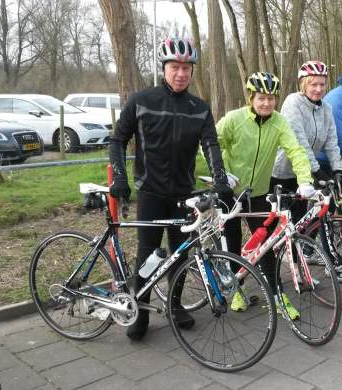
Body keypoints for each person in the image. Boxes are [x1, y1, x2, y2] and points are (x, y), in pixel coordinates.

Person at [108, 37, 233, 340]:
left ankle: (176, 307)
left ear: (192, 71)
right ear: (164, 68)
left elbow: (211, 146)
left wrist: (220, 180)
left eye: (186, 68)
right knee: (148, 254)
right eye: (174, 67)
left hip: (183, 194)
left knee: (181, 255)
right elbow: (117, 139)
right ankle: (139, 310)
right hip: (150, 192)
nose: (180, 73)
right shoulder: (142, 101)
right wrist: (120, 178)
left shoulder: (199, 108)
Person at [217, 71, 314, 319]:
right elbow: (211, 143)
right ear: (251, 97)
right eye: (261, 97)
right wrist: (221, 173)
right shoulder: (233, 119)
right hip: (230, 193)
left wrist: (305, 180)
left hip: (259, 192)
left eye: (271, 98)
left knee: (266, 246)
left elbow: (296, 150)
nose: (266, 103)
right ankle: (235, 289)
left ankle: (276, 294)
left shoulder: (279, 122)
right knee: (233, 243)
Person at [272, 60, 342, 283]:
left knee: (298, 222)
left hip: (304, 173)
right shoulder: (293, 103)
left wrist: (336, 169)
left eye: (322, 84)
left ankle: (298, 270)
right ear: (303, 84)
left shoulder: (325, 107)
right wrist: (318, 172)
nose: (318, 89)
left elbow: (331, 140)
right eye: (313, 84)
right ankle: (270, 269)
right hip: (281, 171)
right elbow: (298, 141)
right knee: (279, 223)